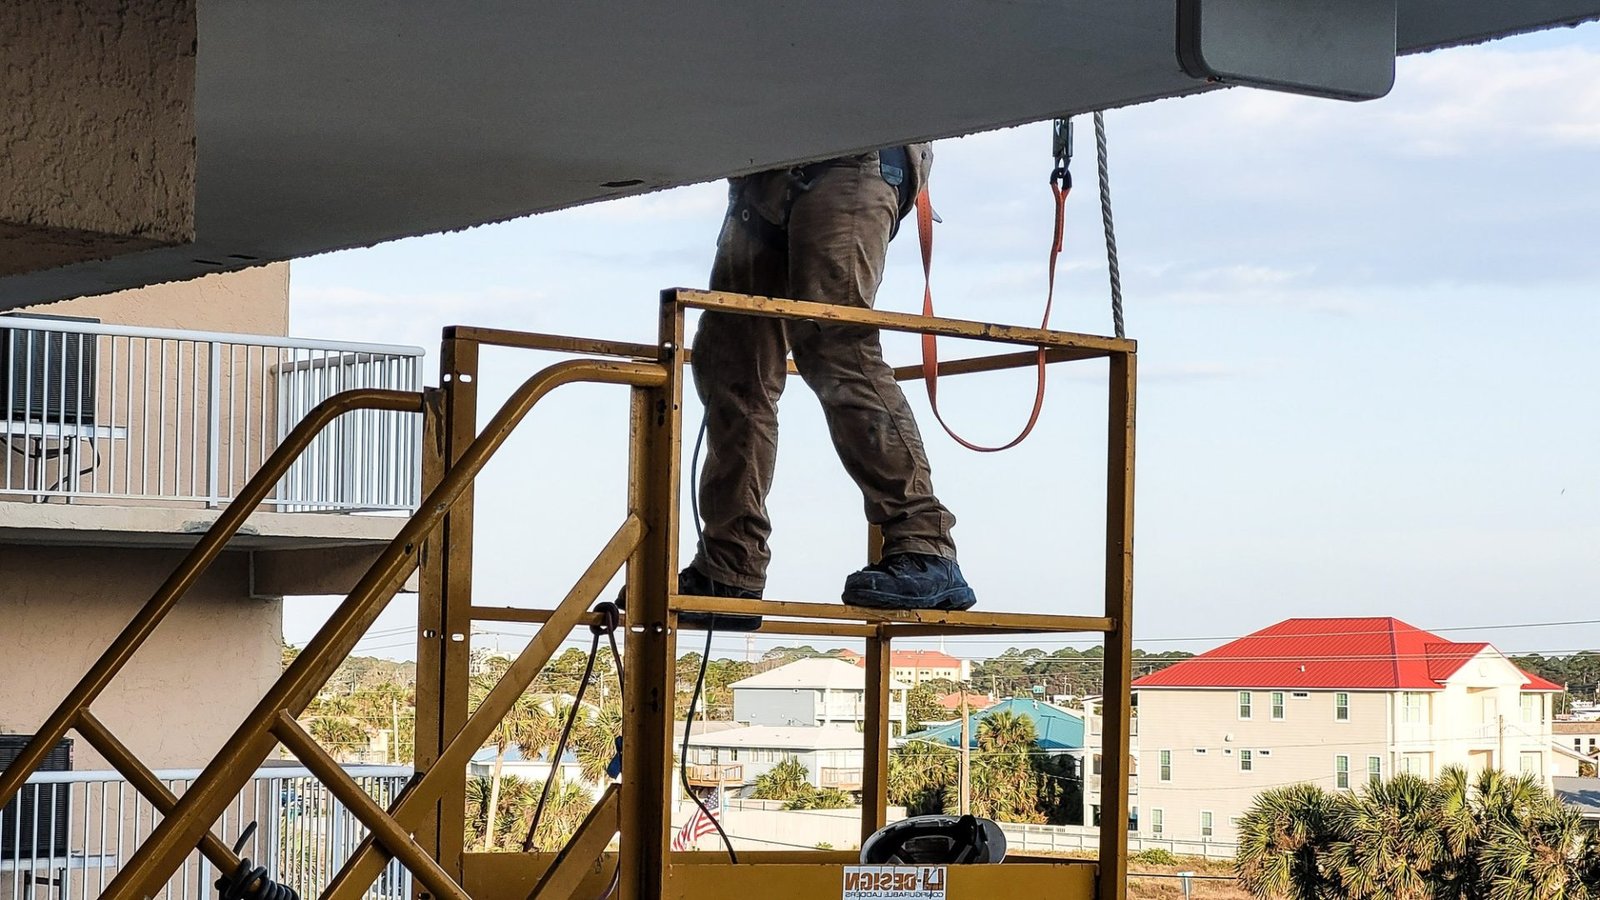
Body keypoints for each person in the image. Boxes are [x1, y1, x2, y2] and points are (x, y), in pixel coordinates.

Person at [679, 144, 975, 627]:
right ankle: (730, 565)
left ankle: (925, 546)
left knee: (836, 343)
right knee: (731, 362)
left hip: (853, 157)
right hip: (762, 170)